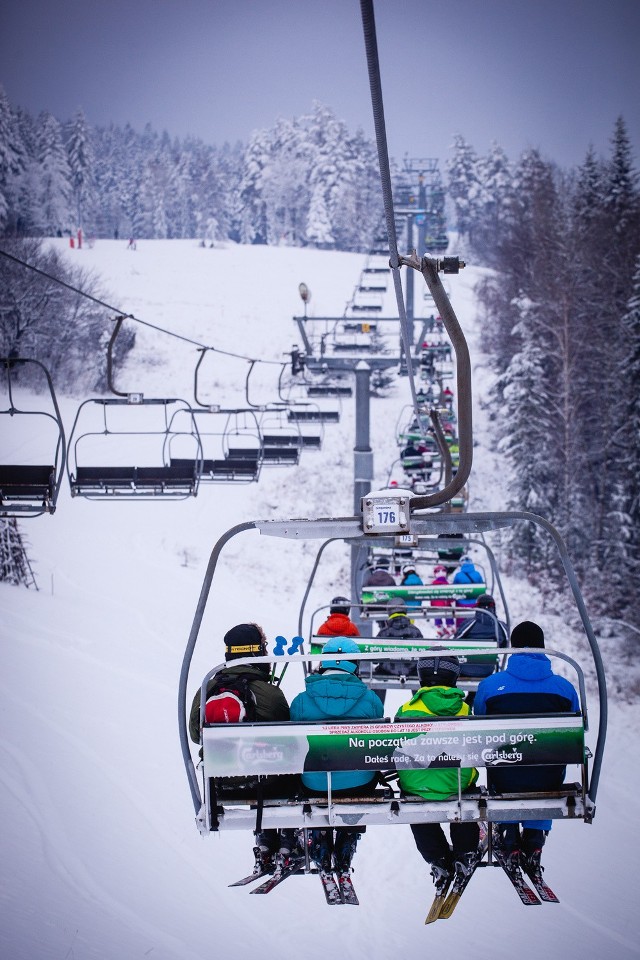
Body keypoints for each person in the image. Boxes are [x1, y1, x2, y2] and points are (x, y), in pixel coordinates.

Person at [473, 620, 580, 877]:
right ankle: (535, 837)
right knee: (547, 764)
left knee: (502, 757)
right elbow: (576, 726)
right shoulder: (564, 689)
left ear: (512, 648)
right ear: (543, 649)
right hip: (548, 779)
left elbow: (479, 721)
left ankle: (508, 835)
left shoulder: (490, 686)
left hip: (505, 776)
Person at [188, 623, 296, 871]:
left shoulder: (207, 689)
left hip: (219, 782)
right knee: (286, 763)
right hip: (264, 781)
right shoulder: (270, 693)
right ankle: (286, 840)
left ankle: (265, 840)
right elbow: (289, 738)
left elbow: (195, 735)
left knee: (251, 762)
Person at [289, 637, 384, 881]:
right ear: (355, 664)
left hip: (315, 784)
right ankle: (347, 838)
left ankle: (320, 836)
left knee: (310, 775)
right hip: (359, 782)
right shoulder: (371, 700)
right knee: (361, 773)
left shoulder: (301, 701)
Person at [395, 655, 480, 891]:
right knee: (465, 792)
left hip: (416, 785)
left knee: (415, 802)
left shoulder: (406, 709)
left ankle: (438, 859)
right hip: (457, 784)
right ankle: (465, 853)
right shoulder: (464, 709)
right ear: (454, 677)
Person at [453, 593, 508, 693]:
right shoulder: (500, 626)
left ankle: (468, 700)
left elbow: (454, 643)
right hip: (488, 670)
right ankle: (473, 698)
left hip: (464, 669)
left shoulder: (469, 624)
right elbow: (505, 645)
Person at [452, 556, 484, 627]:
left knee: (461, 624)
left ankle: (461, 631)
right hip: (475, 604)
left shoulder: (458, 576)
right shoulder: (477, 574)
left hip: (461, 605)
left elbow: (453, 590)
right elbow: (482, 590)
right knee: (474, 623)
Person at [430, 564, 455, 638]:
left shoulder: (433, 584)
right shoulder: (447, 583)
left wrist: (432, 605)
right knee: (449, 608)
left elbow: (431, 597)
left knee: (436, 610)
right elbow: (451, 597)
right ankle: (449, 626)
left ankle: (439, 627)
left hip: (437, 607)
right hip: (446, 606)